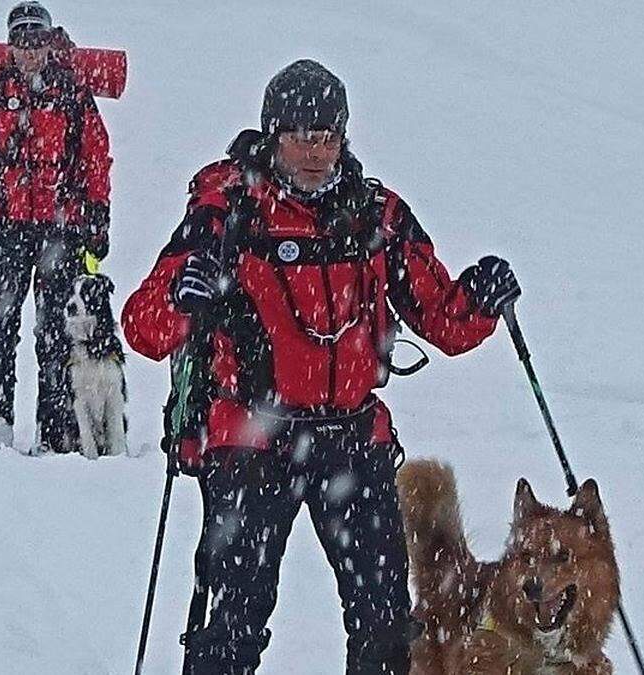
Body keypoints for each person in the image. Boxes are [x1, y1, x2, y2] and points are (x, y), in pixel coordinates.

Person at [121, 59, 521, 674]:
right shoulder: (228, 213)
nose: (316, 150)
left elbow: (443, 320)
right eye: (302, 135)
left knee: (386, 626)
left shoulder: (375, 215)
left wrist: (480, 298)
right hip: (253, 442)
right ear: (273, 134)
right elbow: (142, 329)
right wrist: (182, 301)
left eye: (329, 136)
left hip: (353, 441)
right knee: (233, 624)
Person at [0, 1, 112, 453]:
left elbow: (96, 156)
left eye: (35, 41)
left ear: (48, 42)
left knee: (55, 329)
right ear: (10, 45)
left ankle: (56, 428)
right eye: (20, 42)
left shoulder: (73, 92)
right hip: (8, 226)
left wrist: (98, 213)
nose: (28, 50)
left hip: (62, 229)